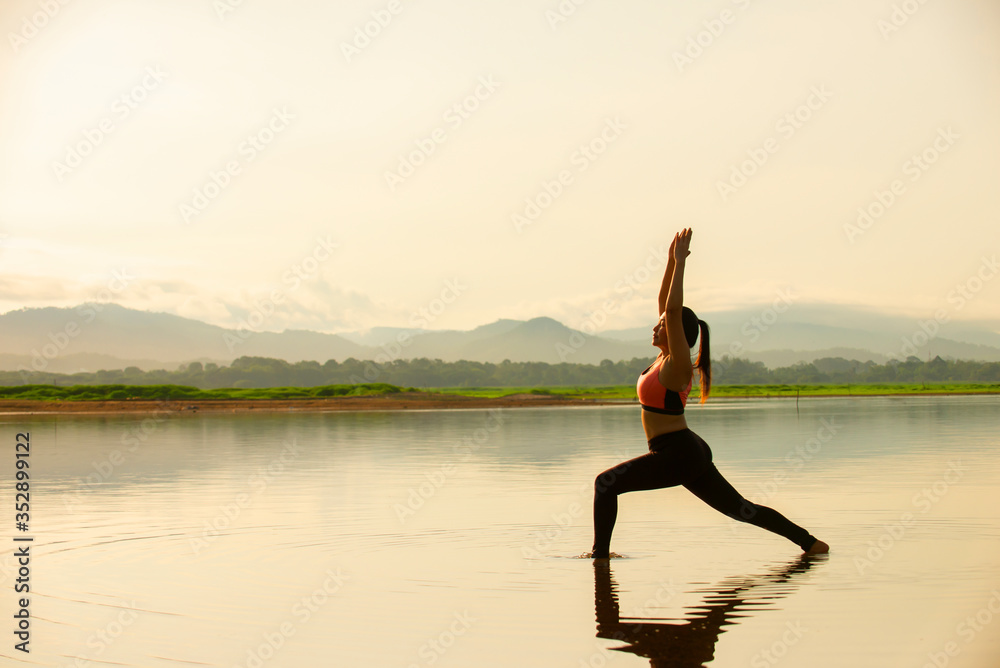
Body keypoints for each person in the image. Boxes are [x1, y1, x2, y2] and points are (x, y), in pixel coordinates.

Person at [590, 228, 829, 559]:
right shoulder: (662, 360)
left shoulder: (677, 366)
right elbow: (666, 306)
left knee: (606, 484)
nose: (655, 326)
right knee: (741, 509)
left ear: (676, 336)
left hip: (677, 453)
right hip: (684, 451)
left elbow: (672, 312)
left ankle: (600, 559)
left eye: (661, 326)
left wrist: (681, 264)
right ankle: (812, 545)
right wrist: (670, 262)